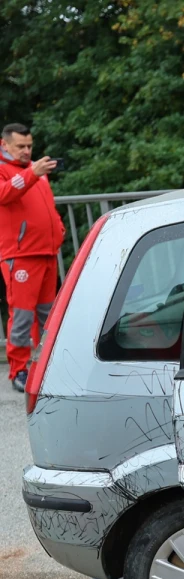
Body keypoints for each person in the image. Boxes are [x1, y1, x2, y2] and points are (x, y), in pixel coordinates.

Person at [0, 123, 62, 392]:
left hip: (47, 253)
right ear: (4, 145)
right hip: (21, 256)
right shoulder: (11, 171)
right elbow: (4, 194)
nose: (27, 151)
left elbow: (47, 206)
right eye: (20, 146)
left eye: (29, 146)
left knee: (49, 316)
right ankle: (19, 370)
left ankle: (45, 366)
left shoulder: (36, 170)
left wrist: (58, 230)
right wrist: (30, 174)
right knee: (23, 316)